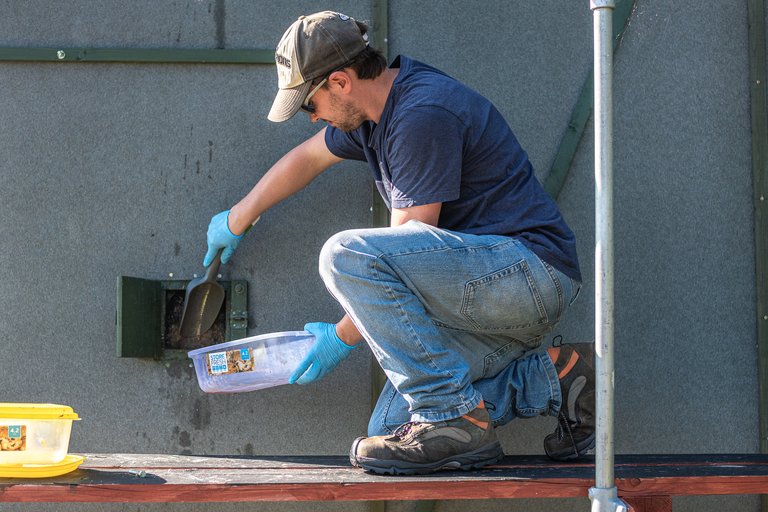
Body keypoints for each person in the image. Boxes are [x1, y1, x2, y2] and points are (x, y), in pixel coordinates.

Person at [202, 10, 595, 475]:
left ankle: (451, 415)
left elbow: (402, 253)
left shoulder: (421, 114)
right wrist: (237, 218)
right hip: (479, 298)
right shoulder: (371, 116)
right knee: (390, 426)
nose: (313, 119)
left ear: (341, 82)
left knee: (344, 254)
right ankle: (559, 378)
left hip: (528, 275)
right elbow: (306, 160)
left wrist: (339, 339)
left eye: (311, 104)